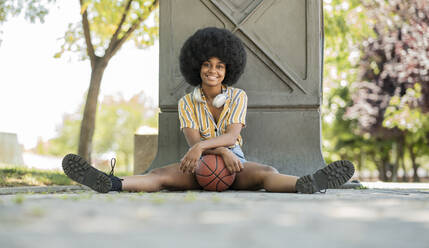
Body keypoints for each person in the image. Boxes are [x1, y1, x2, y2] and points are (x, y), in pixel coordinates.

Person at [62, 27, 355, 194]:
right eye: (206, 64)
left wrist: (218, 149)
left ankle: (307, 183)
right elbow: (193, 145)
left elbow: (231, 136)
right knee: (160, 174)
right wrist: (215, 149)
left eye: (219, 65)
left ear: (228, 69)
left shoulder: (238, 96)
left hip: (233, 165)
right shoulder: (186, 102)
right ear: (197, 66)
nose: (212, 70)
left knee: (267, 172)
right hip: (198, 165)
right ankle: (110, 182)